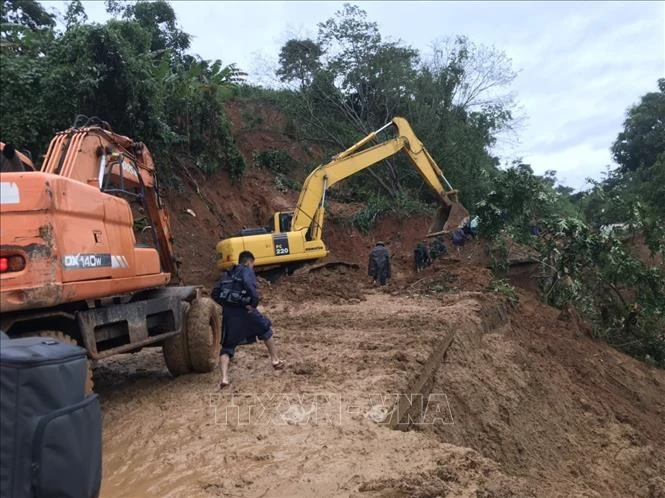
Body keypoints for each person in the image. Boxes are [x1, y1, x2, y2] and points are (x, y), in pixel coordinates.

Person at [212, 250, 284, 389]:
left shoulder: (227, 273)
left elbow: (215, 293)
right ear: (248, 262)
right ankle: (275, 360)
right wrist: (254, 304)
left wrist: (225, 305)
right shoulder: (246, 271)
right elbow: (250, 287)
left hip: (229, 314)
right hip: (246, 311)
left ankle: (225, 378)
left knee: (227, 347)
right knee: (265, 329)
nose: (252, 267)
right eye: (253, 264)